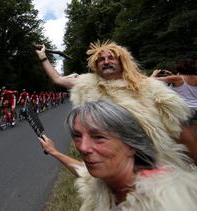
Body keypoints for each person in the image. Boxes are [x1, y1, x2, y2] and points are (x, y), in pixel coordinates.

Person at [35, 41, 193, 169]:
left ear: (122, 62)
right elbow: (58, 80)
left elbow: (177, 127)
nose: (106, 62)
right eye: (101, 60)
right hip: (111, 158)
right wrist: (43, 57)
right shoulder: (87, 83)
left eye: (111, 58)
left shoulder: (145, 85)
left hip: (150, 157)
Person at [39, 100, 197, 210]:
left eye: (99, 137)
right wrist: (54, 152)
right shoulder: (106, 183)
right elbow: (83, 172)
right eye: (78, 136)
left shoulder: (170, 199)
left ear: (131, 145)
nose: (83, 147)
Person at [151, 58, 197, 163]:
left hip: (184, 111)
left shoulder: (178, 78)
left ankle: (189, 161)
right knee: (194, 137)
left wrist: (155, 73)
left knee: (184, 140)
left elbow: (151, 81)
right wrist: (171, 75)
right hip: (196, 111)